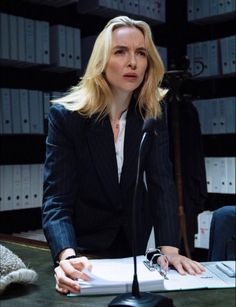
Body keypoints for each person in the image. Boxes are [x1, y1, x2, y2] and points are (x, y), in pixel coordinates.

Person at [42, 15, 204, 294]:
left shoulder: (151, 113)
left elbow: (161, 183)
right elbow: (57, 199)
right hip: (82, 243)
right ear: (102, 61)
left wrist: (170, 248)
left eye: (141, 53)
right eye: (120, 51)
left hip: (131, 241)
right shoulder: (67, 117)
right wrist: (66, 256)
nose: (133, 62)